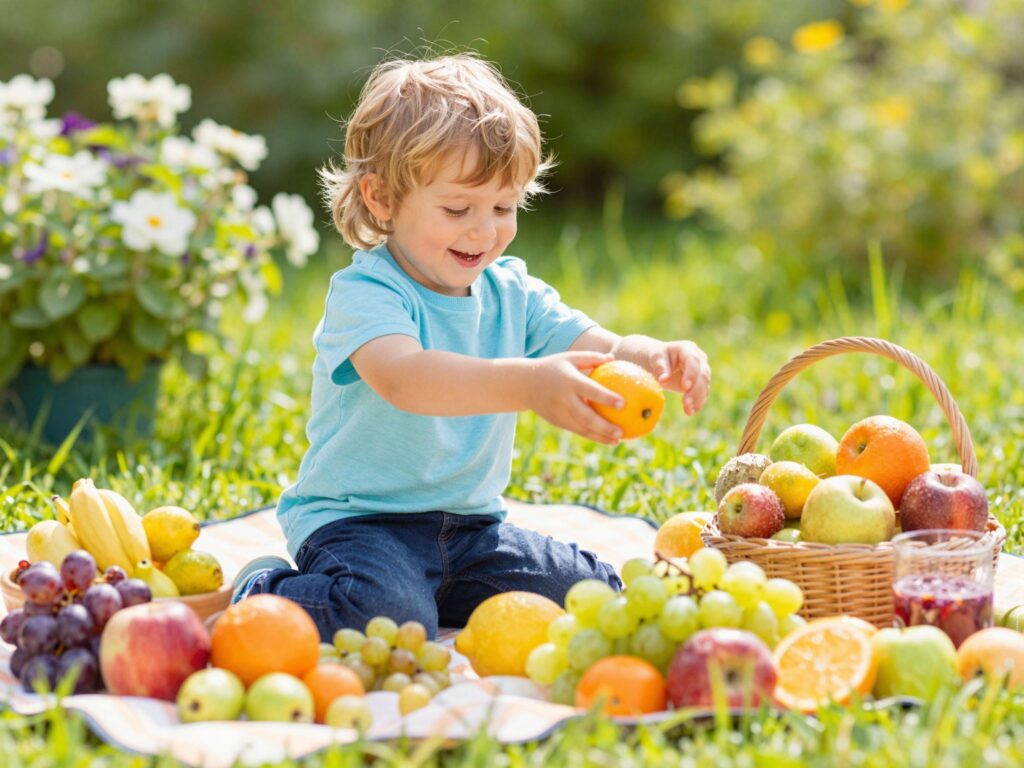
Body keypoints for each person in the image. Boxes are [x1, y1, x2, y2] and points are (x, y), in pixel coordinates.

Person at [232, 54, 711, 640]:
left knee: (592, 595)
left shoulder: (512, 291)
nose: (484, 230)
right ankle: (264, 588)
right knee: (387, 617)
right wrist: (530, 384)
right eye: (458, 208)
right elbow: (407, 378)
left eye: (504, 207)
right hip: (358, 524)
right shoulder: (367, 293)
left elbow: (597, 349)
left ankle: (437, 595)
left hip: (472, 528)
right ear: (381, 198)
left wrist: (649, 355)